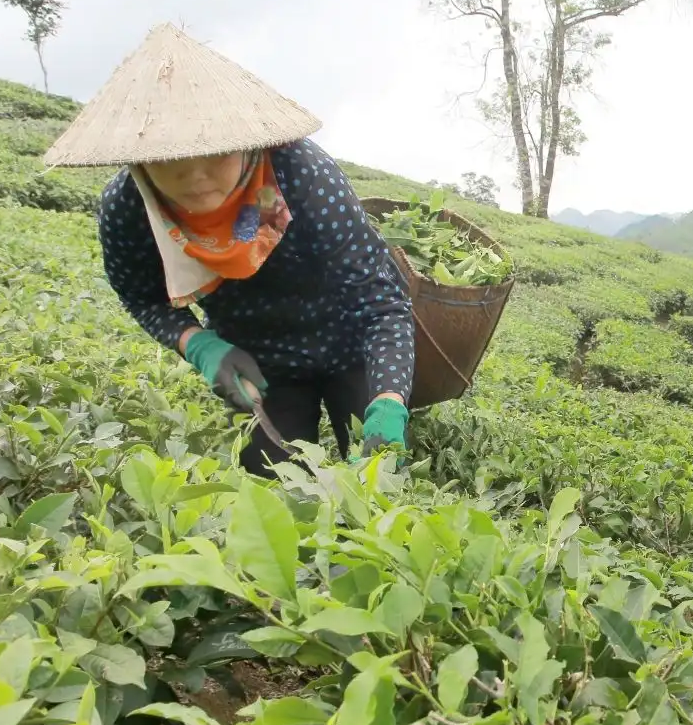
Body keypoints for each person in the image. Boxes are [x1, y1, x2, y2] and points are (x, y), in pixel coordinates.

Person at [42, 23, 416, 477]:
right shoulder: (129, 208)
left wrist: (389, 399)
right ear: (140, 158)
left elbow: (380, 300)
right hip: (261, 362)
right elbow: (142, 296)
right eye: (169, 159)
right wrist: (199, 345)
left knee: (378, 473)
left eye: (215, 153)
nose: (196, 176)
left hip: (350, 343)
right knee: (272, 483)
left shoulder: (302, 176)